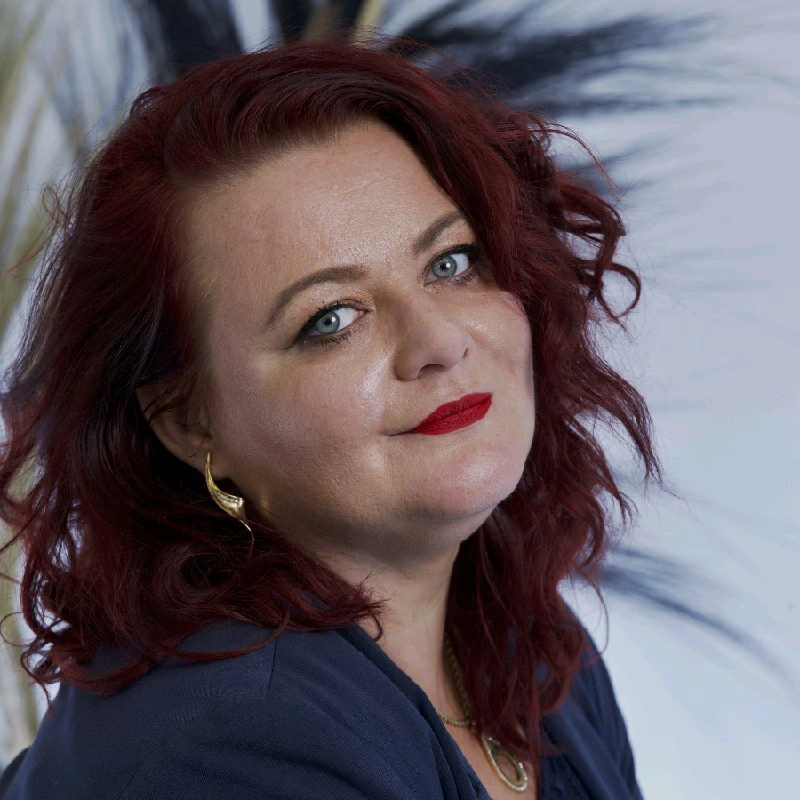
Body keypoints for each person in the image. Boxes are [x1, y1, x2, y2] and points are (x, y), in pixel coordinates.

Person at [0, 35, 664, 800]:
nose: (439, 341)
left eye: (450, 262)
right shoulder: (235, 743)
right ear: (189, 422)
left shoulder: (532, 649)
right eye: (331, 319)